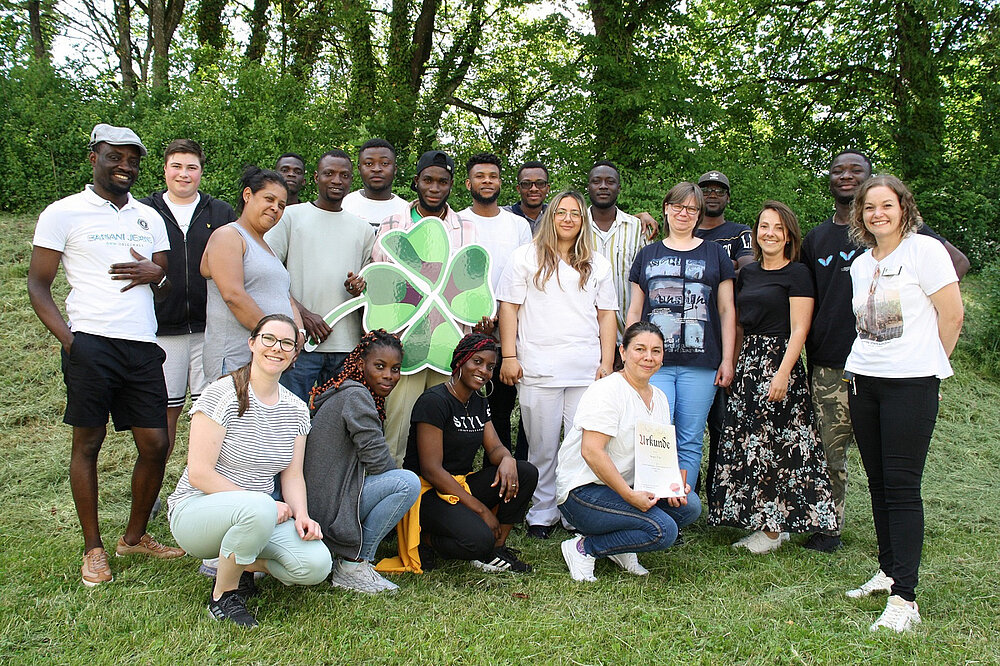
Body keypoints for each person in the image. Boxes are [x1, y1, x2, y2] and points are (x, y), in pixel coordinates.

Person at [27, 123, 185, 587]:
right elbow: (38, 285)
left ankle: (134, 537)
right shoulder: (63, 213)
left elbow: (167, 283)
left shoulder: (150, 216)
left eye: (133, 160)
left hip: (142, 345)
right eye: (115, 157)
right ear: (94, 155)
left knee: (155, 444)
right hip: (91, 342)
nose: (125, 167)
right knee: (88, 445)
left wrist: (155, 273)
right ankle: (93, 548)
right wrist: (71, 342)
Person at [800, 149, 970, 553]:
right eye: (837, 170)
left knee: (897, 475)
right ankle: (837, 532)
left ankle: (899, 574)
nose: (846, 175)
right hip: (843, 366)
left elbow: (954, 292)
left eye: (855, 170)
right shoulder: (835, 247)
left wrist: (928, 352)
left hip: (903, 375)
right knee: (841, 457)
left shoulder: (918, 243)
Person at [843, 175, 963, 633]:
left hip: (910, 384)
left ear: (903, 208)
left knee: (902, 486)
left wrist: (929, 366)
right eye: (869, 207)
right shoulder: (860, 263)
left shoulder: (925, 251)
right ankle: (889, 570)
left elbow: (952, 315)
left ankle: (905, 599)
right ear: (861, 215)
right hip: (864, 380)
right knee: (877, 483)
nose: (878, 214)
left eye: (886, 205)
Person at [167, 314, 332, 628]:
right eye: (269, 339)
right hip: (195, 512)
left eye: (287, 343)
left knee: (316, 565)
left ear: (295, 355)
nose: (277, 348)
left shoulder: (296, 409)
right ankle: (223, 597)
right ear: (252, 343)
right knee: (257, 505)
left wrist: (302, 515)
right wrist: (266, 506)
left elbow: (292, 475)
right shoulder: (221, 394)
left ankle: (236, 559)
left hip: (256, 516)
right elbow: (200, 473)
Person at [707, 201, 837, 553]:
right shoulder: (747, 274)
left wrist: (782, 374)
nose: (770, 233)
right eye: (764, 226)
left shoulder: (797, 274)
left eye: (778, 228)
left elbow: (800, 329)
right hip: (749, 364)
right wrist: (730, 363)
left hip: (781, 364)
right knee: (752, 445)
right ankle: (763, 521)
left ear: (789, 235)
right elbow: (736, 323)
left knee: (780, 448)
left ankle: (773, 531)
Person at [498, 191, 618, 539]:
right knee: (542, 446)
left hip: (585, 368)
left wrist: (606, 362)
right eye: (561, 212)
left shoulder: (598, 262)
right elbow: (509, 307)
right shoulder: (525, 257)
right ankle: (542, 512)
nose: (568, 219)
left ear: (584, 221)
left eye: (575, 214)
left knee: (581, 446)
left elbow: (607, 314)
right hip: (537, 366)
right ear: (550, 217)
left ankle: (574, 511)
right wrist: (509, 355)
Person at [556, 322, 700, 582]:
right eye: (640, 349)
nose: (648, 357)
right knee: (663, 531)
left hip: (628, 485)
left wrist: (673, 486)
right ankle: (583, 549)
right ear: (622, 352)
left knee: (690, 507)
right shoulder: (607, 391)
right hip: (584, 492)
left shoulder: (659, 397)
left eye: (656, 351)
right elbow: (591, 451)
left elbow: (660, 451)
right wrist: (629, 495)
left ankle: (622, 546)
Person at [626, 181, 736, 498]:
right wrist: (630, 355)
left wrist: (727, 359)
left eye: (691, 208)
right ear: (666, 209)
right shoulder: (648, 254)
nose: (683, 213)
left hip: (701, 363)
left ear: (699, 214)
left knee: (689, 438)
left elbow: (728, 310)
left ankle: (681, 503)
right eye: (677, 206)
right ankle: (653, 499)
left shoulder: (715, 254)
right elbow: (634, 311)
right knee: (657, 435)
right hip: (653, 364)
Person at [372, 150, 480, 465]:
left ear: (451, 186)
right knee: (398, 420)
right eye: (428, 180)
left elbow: (469, 283)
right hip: (404, 338)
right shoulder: (394, 222)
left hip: (448, 339)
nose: (434, 188)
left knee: (441, 422)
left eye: (442, 182)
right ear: (416, 181)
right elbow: (380, 276)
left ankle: (435, 501)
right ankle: (389, 496)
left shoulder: (466, 227)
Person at [400, 334, 538, 572]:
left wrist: (507, 458)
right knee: (477, 540)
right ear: (460, 361)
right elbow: (431, 470)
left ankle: (496, 548)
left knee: (525, 472)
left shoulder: (478, 400)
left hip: (459, 487)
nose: (484, 371)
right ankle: (426, 540)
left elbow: (494, 447)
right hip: (427, 493)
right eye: (477, 362)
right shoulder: (434, 401)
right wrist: (481, 510)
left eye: (490, 367)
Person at [140, 138, 238, 457]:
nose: (184, 174)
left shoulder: (220, 211)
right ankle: (155, 483)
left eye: (191, 167)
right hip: (161, 329)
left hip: (209, 328)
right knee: (165, 410)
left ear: (201, 172)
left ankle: (202, 480)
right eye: (177, 166)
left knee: (209, 410)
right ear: (165, 169)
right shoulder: (143, 211)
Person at [303, 329, 420, 594]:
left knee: (398, 482)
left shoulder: (346, 391)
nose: (389, 376)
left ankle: (346, 558)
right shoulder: (356, 396)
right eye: (380, 366)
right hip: (328, 507)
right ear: (359, 364)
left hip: (321, 500)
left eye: (395, 369)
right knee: (406, 483)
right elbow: (378, 463)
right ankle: (352, 565)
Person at [265, 150, 375, 401]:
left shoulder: (363, 229)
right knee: (291, 417)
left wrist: (360, 287)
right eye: (329, 174)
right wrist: (303, 316)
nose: (337, 180)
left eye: (344, 175)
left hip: (346, 346)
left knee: (333, 423)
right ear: (316, 177)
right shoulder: (291, 218)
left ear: (351, 180)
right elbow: (269, 274)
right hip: (300, 342)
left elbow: (372, 285)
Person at [459, 152, 532, 457]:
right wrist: (472, 316)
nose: (487, 181)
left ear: (501, 182)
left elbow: (524, 278)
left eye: (493, 176)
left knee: (500, 409)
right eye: (480, 176)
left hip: (507, 334)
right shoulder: (457, 221)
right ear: (468, 183)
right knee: (462, 406)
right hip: (464, 330)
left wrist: (502, 318)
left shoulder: (517, 226)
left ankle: (500, 477)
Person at [201, 165, 302, 382]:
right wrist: (277, 338)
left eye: (281, 205)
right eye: (269, 199)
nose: (275, 208)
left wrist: (298, 334)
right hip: (236, 359)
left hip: (269, 358)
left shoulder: (268, 248)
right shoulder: (229, 236)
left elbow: (285, 296)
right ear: (248, 195)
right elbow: (233, 296)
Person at [694, 170, 753, 498]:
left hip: (726, 338)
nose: (712, 195)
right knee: (681, 428)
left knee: (721, 424)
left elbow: (747, 266)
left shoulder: (739, 232)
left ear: (728, 197)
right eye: (706, 190)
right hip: (687, 343)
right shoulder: (685, 229)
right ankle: (686, 491)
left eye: (719, 191)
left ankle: (720, 495)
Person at [586, 160, 647, 342]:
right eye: (597, 181)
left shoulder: (637, 228)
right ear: (588, 187)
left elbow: (644, 280)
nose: (603, 186)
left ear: (619, 188)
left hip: (626, 335)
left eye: (610, 182)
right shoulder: (574, 226)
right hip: (584, 336)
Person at [341, 138, 410, 229]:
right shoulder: (345, 204)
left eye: (384, 163)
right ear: (359, 169)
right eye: (369, 163)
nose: (376, 169)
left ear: (395, 169)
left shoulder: (405, 210)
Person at [504, 160, 551, 233]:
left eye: (540, 183)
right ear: (518, 189)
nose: (534, 189)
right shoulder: (504, 216)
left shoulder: (556, 216)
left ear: (547, 188)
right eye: (526, 184)